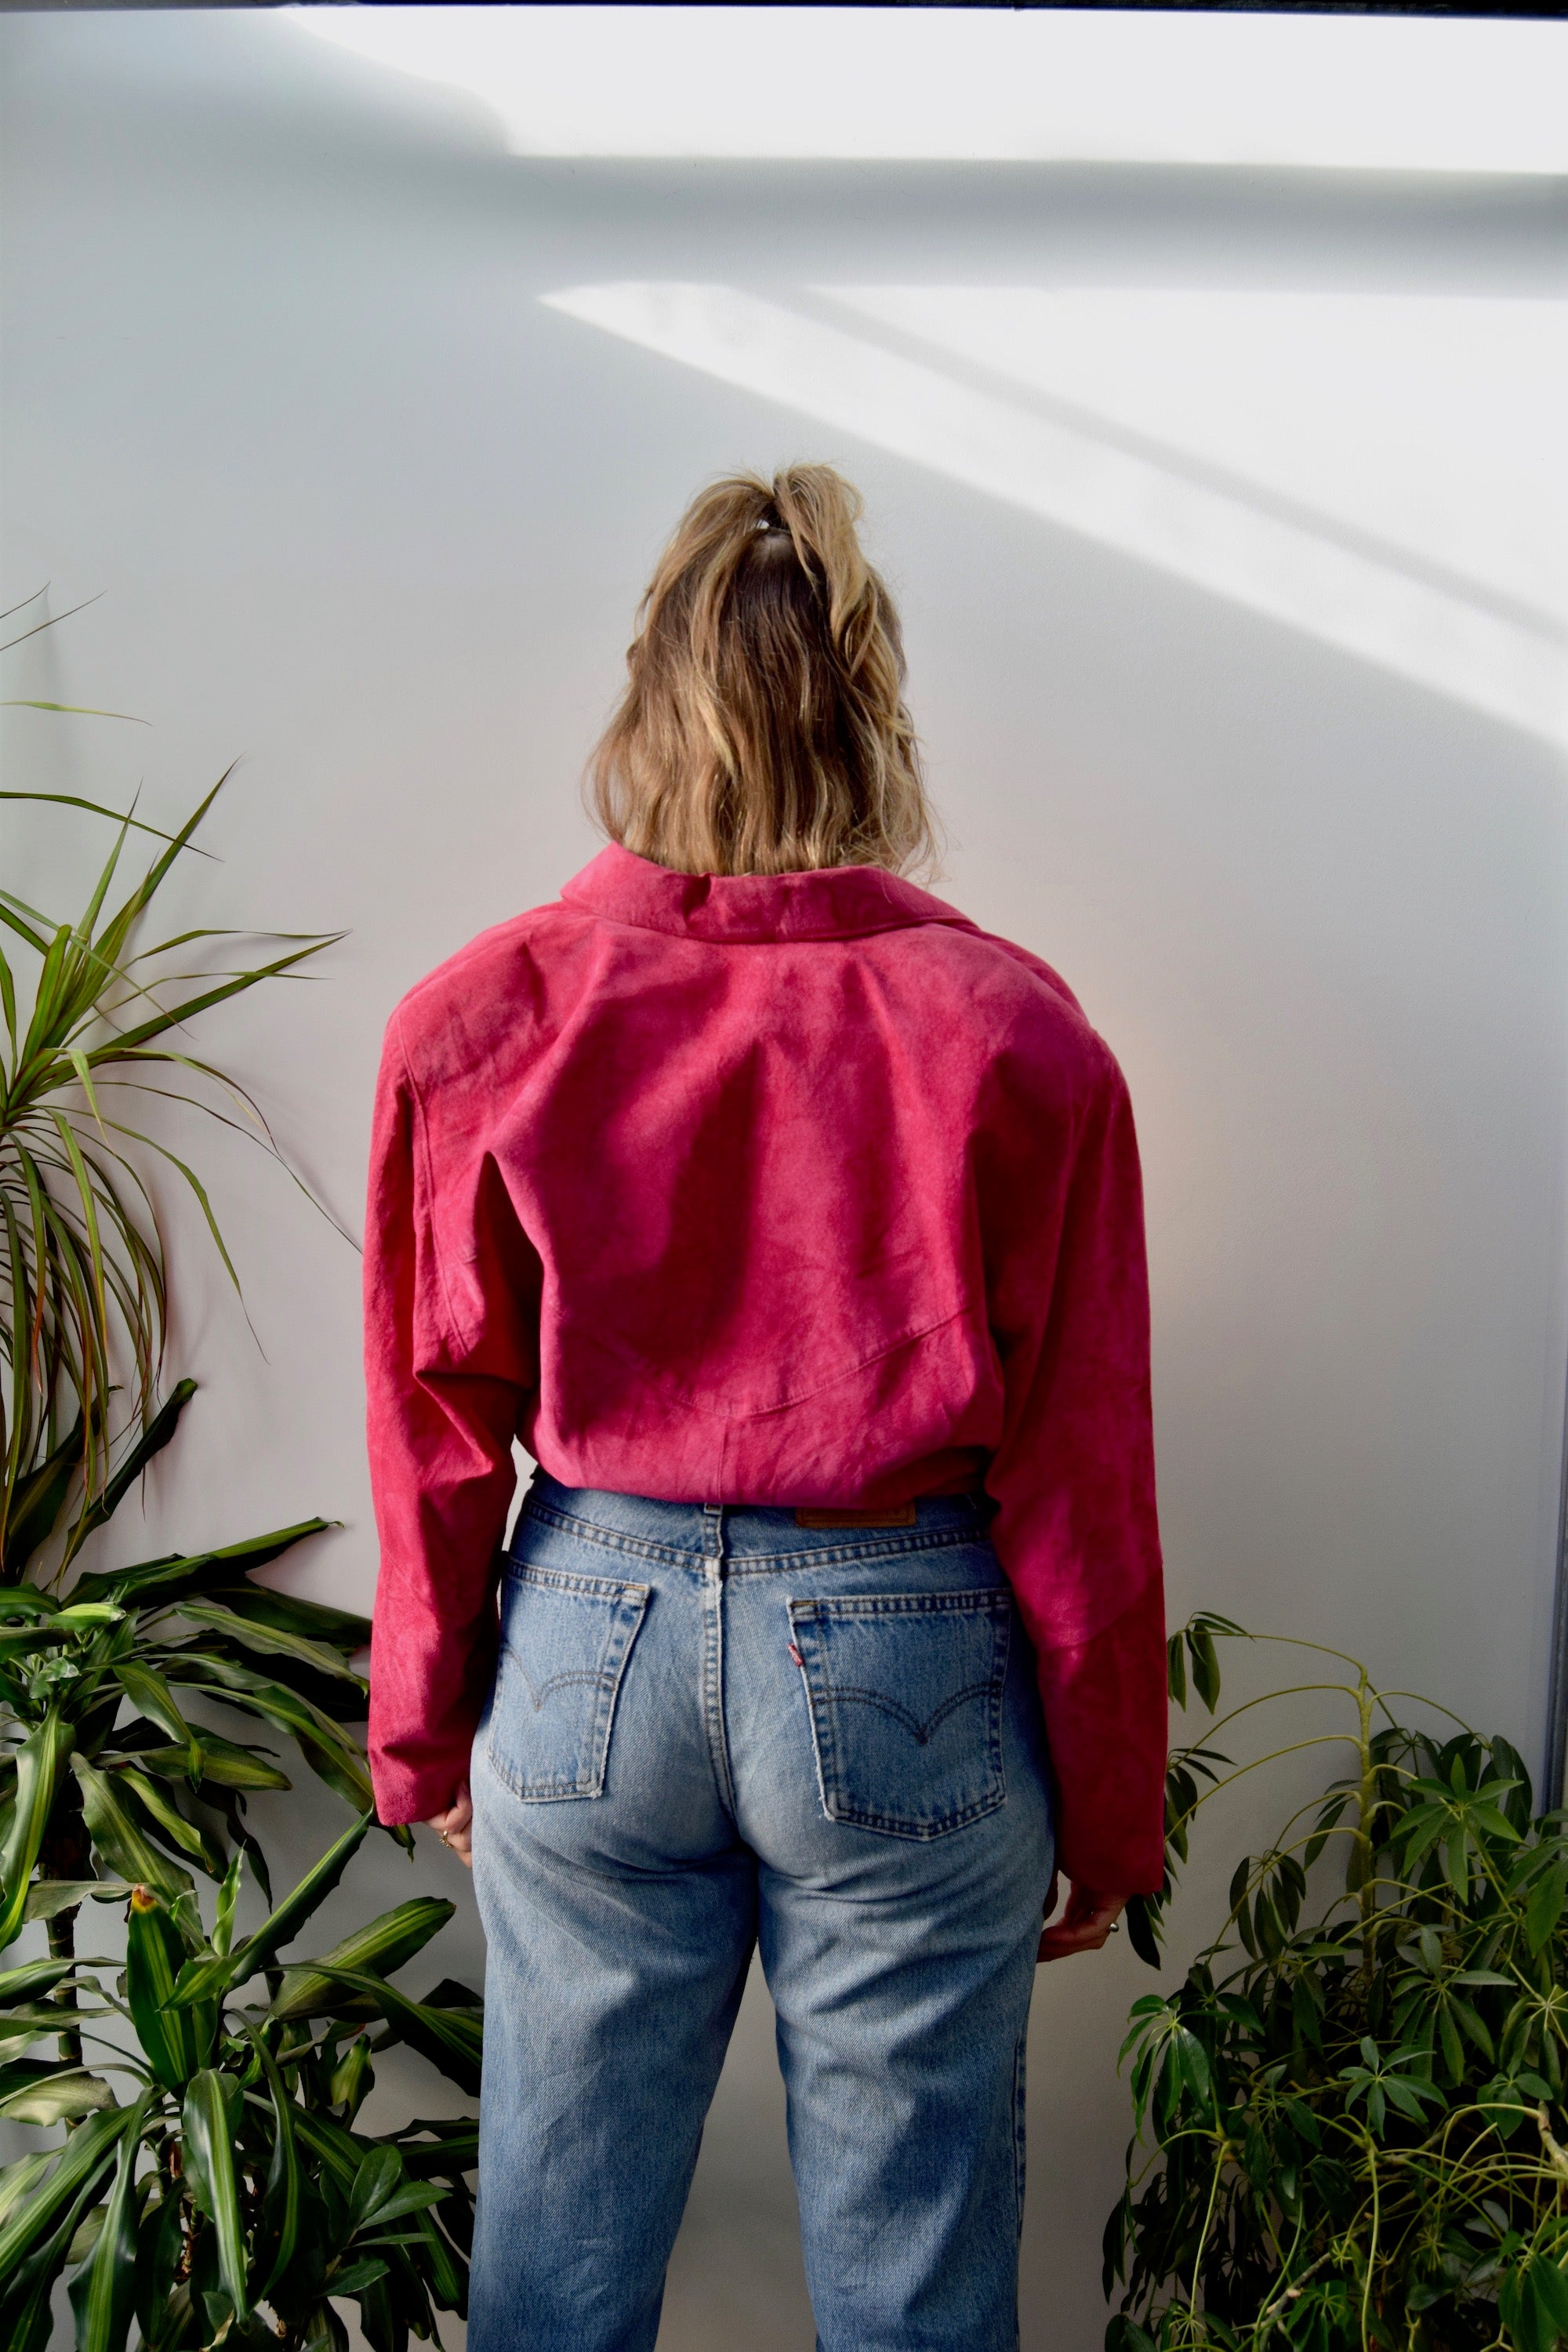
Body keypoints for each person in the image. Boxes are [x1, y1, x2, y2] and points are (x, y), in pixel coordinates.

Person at [361, 464, 1167, 2352]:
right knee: (913, 2283)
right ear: (872, 711)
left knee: (554, 2271)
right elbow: (1083, 1461)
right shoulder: (1018, 1034)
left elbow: (435, 1410)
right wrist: (1111, 1816)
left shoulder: (483, 1015)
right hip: (907, 1649)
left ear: (640, 707)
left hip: (587, 1639)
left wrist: (428, 1729)